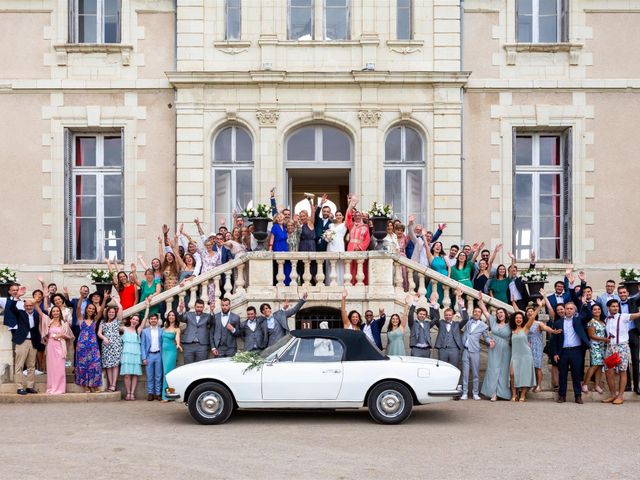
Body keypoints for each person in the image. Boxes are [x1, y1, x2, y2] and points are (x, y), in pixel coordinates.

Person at [550, 301, 591, 404]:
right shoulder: (558, 323)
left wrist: (585, 304)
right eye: (567, 308)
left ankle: (578, 396)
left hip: (576, 350)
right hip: (563, 351)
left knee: (576, 374)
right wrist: (555, 353)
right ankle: (562, 396)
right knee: (562, 374)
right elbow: (554, 339)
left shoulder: (579, 320)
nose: (568, 310)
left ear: (574, 310)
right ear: (564, 310)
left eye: (571, 309)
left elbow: (589, 316)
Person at [601, 299, 640, 405]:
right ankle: (613, 395)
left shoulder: (624, 316)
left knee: (623, 371)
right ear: (608, 308)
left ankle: (621, 396)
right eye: (613, 306)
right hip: (610, 347)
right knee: (609, 372)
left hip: (622, 346)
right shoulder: (606, 319)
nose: (615, 308)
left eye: (616, 306)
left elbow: (637, 315)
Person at [35, 303, 74, 394]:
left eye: (57, 311)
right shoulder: (49, 322)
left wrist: (60, 335)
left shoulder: (64, 323)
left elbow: (69, 336)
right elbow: (41, 313)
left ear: (60, 312)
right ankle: (52, 387)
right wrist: (36, 303)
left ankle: (60, 389)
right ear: (51, 313)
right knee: (51, 368)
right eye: (54, 311)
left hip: (60, 346)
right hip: (51, 346)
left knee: (59, 368)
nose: (55, 312)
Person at [460, 302, 494, 400]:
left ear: (481, 314)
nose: (477, 313)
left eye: (479, 312)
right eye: (475, 311)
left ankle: (475, 393)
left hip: (475, 351)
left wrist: (490, 341)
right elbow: (463, 314)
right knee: (465, 373)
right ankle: (464, 392)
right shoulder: (468, 321)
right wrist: (462, 305)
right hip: (465, 351)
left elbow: (486, 337)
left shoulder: (483, 325)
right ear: (473, 312)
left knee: (475, 373)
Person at [7, 294, 40, 394]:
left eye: (31, 305)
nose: (29, 307)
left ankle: (30, 386)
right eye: (27, 306)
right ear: (24, 306)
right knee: (19, 365)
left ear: (33, 306)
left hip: (33, 342)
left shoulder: (36, 314)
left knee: (31, 366)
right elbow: (12, 308)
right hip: (22, 341)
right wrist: (16, 297)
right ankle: (19, 387)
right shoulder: (20, 313)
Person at [479, 301, 512, 401]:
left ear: (505, 314)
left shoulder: (510, 324)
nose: (499, 314)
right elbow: (485, 311)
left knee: (504, 371)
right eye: (498, 313)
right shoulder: (493, 322)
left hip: (506, 350)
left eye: (501, 312)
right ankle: (493, 393)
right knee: (493, 370)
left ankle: (503, 393)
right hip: (494, 349)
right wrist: (480, 301)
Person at [524, 299, 559, 393]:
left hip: (536, 346)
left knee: (537, 367)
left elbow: (545, 328)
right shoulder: (525, 324)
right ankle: (531, 384)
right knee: (529, 367)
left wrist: (553, 331)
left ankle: (539, 385)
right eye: (528, 312)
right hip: (527, 346)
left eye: (532, 312)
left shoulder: (539, 323)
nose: (530, 313)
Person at [430, 289, 467, 368]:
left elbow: (466, 319)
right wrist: (433, 306)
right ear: (444, 315)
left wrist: (462, 306)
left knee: (453, 368)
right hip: (442, 349)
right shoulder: (441, 323)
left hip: (454, 350)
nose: (448, 316)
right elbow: (434, 317)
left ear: (452, 316)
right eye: (446, 315)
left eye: (449, 315)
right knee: (442, 368)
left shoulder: (457, 324)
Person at [616, 285, 640, 394]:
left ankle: (636, 386)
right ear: (618, 294)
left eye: (624, 292)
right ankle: (627, 385)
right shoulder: (615, 306)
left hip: (634, 332)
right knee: (624, 360)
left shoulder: (633, 302)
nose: (622, 294)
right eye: (620, 293)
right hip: (622, 334)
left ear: (628, 293)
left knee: (635, 360)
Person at [509, 309, 537, 402]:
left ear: (522, 319)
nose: (518, 319)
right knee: (512, 374)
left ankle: (523, 395)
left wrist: (540, 306)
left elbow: (532, 317)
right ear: (514, 319)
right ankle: (514, 394)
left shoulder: (525, 328)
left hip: (526, 355)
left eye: (520, 318)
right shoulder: (512, 330)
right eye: (516, 318)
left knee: (524, 375)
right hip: (515, 355)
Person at [74, 302, 102, 393]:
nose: (91, 310)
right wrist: (81, 297)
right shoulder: (81, 319)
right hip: (82, 344)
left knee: (95, 364)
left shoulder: (95, 319)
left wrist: (105, 299)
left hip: (93, 344)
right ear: (86, 309)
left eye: (93, 309)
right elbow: (78, 307)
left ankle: (93, 384)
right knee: (83, 364)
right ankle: (86, 385)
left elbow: (101, 311)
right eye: (89, 308)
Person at [120, 309, 147, 401]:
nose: (135, 321)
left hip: (135, 353)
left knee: (135, 374)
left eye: (137, 320)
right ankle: (128, 393)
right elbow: (118, 320)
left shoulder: (138, 330)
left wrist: (147, 307)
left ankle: (132, 393)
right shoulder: (124, 329)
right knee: (127, 375)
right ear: (130, 320)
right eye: (134, 319)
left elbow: (145, 320)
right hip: (126, 353)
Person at [98, 299, 124, 392]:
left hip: (116, 345)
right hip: (106, 345)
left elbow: (120, 307)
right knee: (108, 366)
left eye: (113, 312)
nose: (111, 313)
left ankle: (114, 384)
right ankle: (110, 384)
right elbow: (99, 333)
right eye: (110, 312)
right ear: (107, 312)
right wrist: (104, 338)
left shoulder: (117, 320)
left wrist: (114, 299)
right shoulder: (102, 322)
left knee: (115, 365)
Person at [177, 298, 212, 364]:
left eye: (201, 307)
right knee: (188, 366)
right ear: (195, 307)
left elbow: (213, 322)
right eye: (197, 307)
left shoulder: (207, 316)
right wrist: (181, 310)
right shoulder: (188, 314)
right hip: (188, 345)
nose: (199, 309)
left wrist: (212, 311)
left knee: (201, 366)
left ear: (203, 307)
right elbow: (180, 318)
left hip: (202, 346)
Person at [141, 299, 163, 401]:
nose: (153, 320)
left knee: (158, 376)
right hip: (149, 355)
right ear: (149, 320)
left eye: (155, 319)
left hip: (159, 355)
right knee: (150, 376)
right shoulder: (145, 332)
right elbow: (143, 345)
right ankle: (150, 393)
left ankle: (158, 393)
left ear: (157, 320)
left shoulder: (161, 331)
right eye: (152, 319)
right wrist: (144, 357)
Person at [345, 196, 370, 285]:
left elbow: (367, 240)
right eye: (356, 215)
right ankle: (350, 282)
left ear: (361, 217)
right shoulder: (351, 225)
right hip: (351, 247)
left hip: (360, 248)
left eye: (359, 215)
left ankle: (360, 282)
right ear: (354, 217)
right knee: (350, 265)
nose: (358, 217)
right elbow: (347, 216)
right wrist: (351, 205)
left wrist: (360, 247)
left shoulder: (365, 227)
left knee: (360, 265)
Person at [583, 303, 607, 394]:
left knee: (600, 365)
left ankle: (597, 385)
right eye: (595, 309)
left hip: (603, 346)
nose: (597, 311)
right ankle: (585, 384)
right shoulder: (591, 322)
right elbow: (591, 335)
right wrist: (605, 339)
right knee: (595, 365)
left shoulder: (602, 322)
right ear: (592, 312)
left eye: (598, 309)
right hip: (595, 346)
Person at [161, 310, 182, 401]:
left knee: (167, 373)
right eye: (170, 315)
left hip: (171, 352)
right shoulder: (164, 328)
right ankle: (170, 395)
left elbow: (177, 338)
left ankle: (166, 397)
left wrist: (178, 344)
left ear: (175, 317)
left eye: (173, 315)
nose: (171, 317)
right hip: (163, 352)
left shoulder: (177, 329)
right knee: (165, 373)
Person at [326, 209, 347, 285]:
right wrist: (327, 237)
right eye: (337, 215)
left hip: (339, 245)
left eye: (340, 215)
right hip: (330, 245)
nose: (338, 216)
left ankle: (340, 283)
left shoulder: (344, 224)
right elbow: (328, 234)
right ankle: (330, 283)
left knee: (339, 263)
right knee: (330, 264)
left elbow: (349, 214)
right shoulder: (331, 225)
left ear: (343, 216)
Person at [269, 213, 290, 285]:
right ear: (276, 219)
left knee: (287, 266)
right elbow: (272, 238)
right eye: (278, 217)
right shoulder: (275, 226)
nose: (280, 218)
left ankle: (287, 284)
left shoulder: (284, 227)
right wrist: (270, 249)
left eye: (281, 217)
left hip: (285, 247)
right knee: (279, 266)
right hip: (277, 246)